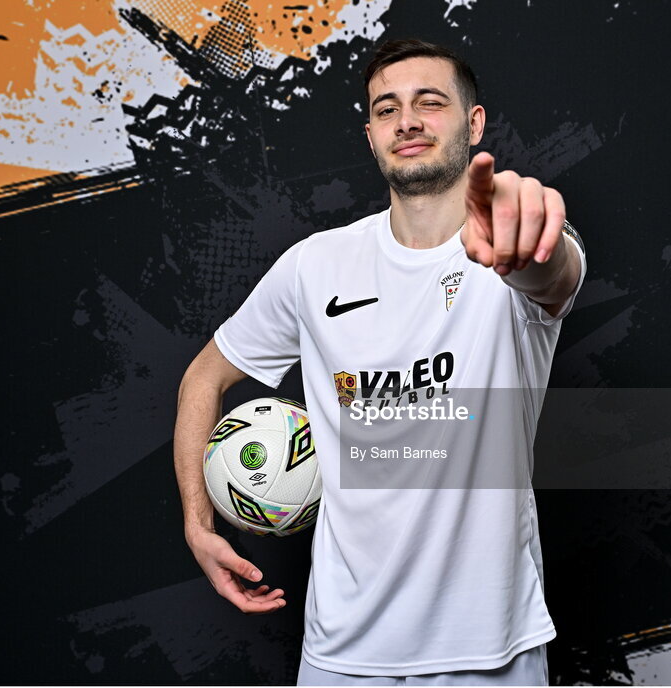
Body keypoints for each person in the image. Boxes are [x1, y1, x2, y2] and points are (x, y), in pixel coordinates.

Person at [173, 39, 587, 686]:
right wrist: (199, 523)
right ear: (371, 135)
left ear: (474, 124)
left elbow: (553, 271)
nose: (409, 121)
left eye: (430, 102)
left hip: (489, 654)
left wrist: (531, 241)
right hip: (343, 655)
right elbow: (205, 375)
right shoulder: (315, 266)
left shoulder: (512, 254)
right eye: (388, 108)